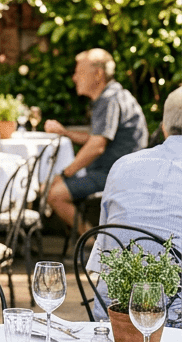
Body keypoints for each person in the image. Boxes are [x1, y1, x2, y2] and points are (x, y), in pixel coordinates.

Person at [87, 86, 182, 325]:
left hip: (114, 314)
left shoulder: (123, 165)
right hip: (175, 318)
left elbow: (105, 244)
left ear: (163, 127)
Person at [44, 48, 148, 229]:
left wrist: (64, 174)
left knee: (54, 194)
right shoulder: (113, 94)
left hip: (114, 175)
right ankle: (89, 240)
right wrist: (66, 133)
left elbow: (97, 146)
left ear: (98, 74)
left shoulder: (109, 99)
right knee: (51, 186)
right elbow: (96, 138)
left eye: (79, 72)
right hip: (120, 171)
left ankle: (91, 244)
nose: (74, 78)